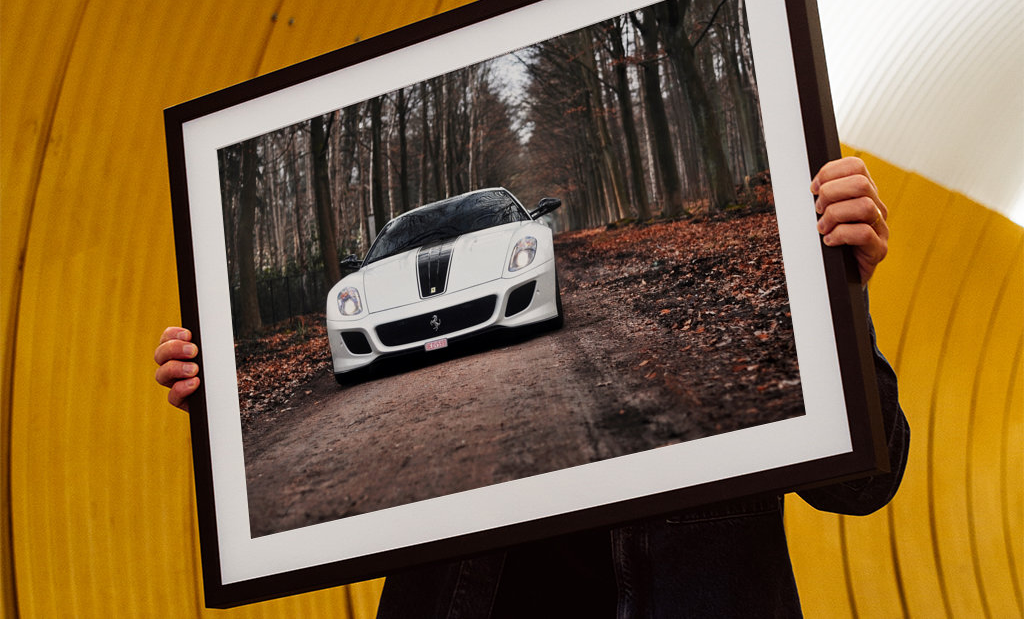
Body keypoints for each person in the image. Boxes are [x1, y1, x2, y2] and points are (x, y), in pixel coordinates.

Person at [154, 157, 908, 617]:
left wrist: (837, 293)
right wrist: (222, 412)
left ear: (535, 229)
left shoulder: (515, 230)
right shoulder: (372, 277)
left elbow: (864, 484)